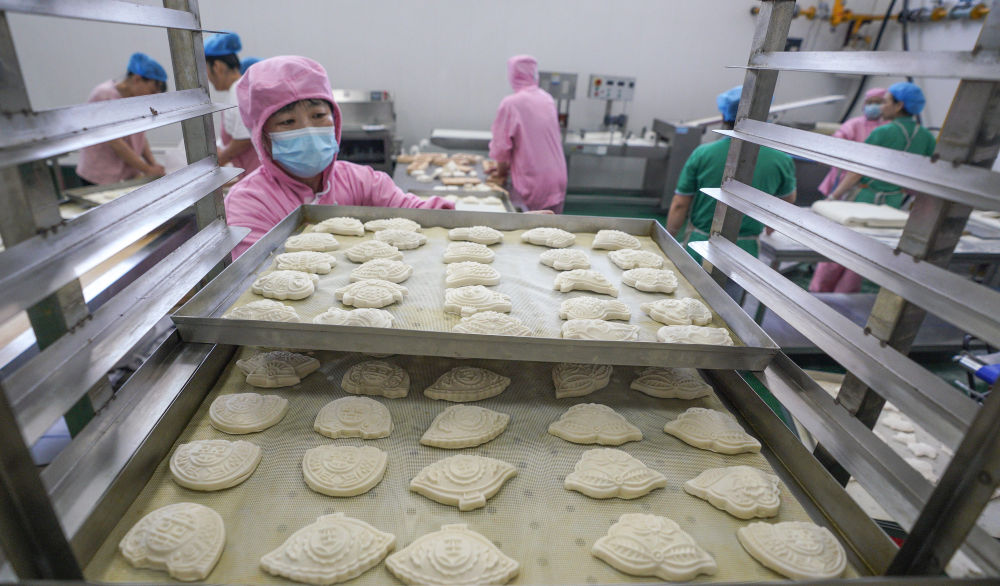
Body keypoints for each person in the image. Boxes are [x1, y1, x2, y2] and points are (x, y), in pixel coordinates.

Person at [225, 56, 453, 257]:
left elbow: (417, 213)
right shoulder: (247, 204)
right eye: (287, 122)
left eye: (318, 115)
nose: (308, 130)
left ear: (334, 118)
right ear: (262, 136)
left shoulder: (360, 181)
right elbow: (256, 273)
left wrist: (452, 215)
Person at [810, 82, 936, 293]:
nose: (881, 107)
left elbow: (857, 171)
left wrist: (834, 196)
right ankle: (844, 298)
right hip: (892, 202)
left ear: (898, 105)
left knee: (839, 249)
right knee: (865, 256)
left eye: (885, 102)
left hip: (863, 198)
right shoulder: (926, 137)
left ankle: (819, 292)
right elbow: (926, 176)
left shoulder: (883, 132)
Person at [666, 86, 797, 263]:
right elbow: (787, 199)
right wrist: (771, 225)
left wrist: (669, 238)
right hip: (746, 250)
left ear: (724, 116)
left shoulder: (703, 154)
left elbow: (680, 204)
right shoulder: (781, 160)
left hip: (702, 244)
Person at [487, 55, 567, 213]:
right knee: (553, 225)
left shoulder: (511, 103)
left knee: (532, 226)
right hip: (557, 178)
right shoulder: (547, 99)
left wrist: (500, 172)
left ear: (512, 75)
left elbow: (501, 147)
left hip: (533, 181)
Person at [75, 52, 168, 186]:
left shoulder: (137, 99)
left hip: (125, 175)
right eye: (152, 91)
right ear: (137, 79)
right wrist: (147, 169)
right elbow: (115, 142)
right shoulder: (104, 95)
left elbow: (140, 137)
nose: (151, 96)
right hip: (99, 176)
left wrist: (153, 164)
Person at [204, 32, 260, 174]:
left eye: (206, 70)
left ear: (217, 67)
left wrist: (220, 159)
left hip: (254, 174)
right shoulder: (239, 89)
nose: (208, 78)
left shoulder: (238, 91)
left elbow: (244, 138)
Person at [816, 87, 888, 197]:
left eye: (877, 103)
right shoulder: (854, 124)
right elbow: (836, 141)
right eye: (869, 103)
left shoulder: (888, 127)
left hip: (870, 180)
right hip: (843, 175)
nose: (873, 106)